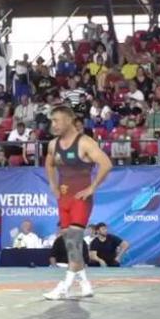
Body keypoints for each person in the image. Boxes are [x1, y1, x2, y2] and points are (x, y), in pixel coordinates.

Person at [43, 106, 113, 300]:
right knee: (70, 245)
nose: (53, 125)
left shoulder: (85, 142)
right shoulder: (53, 144)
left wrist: (92, 188)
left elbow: (106, 164)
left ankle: (64, 287)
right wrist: (53, 185)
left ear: (68, 120)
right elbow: (49, 163)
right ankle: (84, 283)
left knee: (73, 242)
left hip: (81, 200)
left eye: (56, 120)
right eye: (52, 121)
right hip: (63, 199)